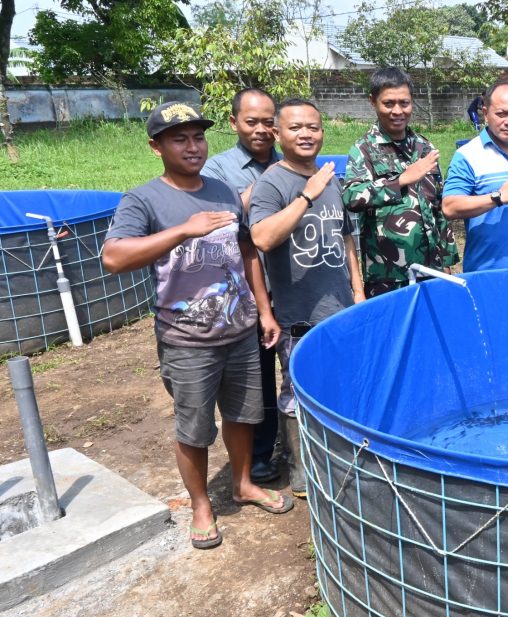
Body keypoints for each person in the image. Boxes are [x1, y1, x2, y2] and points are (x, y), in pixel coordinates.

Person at [102, 101, 292, 550]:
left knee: (245, 415)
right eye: (179, 139)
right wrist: (182, 231)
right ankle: (201, 504)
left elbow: (247, 252)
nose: (193, 147)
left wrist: (263, 312)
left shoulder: (223, 191)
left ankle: (243, 483)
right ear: (156, 147)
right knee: (194, 426)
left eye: (198, 137)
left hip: (241, 329)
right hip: (187, 339)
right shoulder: (143, 198)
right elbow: (113, 257)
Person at [249, 98, 364, 498]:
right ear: (278, 134)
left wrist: (359, 290)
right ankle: (300, 472)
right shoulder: (272, 183)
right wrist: (306, 197)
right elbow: (261, 237)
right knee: (296, 392)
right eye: (296, 127)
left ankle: (338, 460)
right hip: (298, 315)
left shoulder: (328, 177)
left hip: (340, 310)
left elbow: (347, 238)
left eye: (313, 127)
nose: (306, 134)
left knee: (341, 384)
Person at [201, 87, 283, 485]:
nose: (263, 130)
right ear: (234, 123)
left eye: (270, 122)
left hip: (291, 286)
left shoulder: (291, 164)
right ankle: (261, 454)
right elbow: (218, 225)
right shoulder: (216, 172)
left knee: (299, 367)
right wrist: (268, 186)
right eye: (252, 122)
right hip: (247, 291)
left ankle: (300, 441)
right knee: (259, 378)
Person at [342, 67, 460, 297]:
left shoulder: (425, 147)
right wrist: (400, 181)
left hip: (431, 268)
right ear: (373, 102)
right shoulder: (364, 148)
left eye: (404, 103)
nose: (397, 111)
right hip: (387, 273)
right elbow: (352, 196)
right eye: (389, 103)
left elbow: (438, 208)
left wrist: (447, 260)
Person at [442, 81, 508, 272]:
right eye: (501, 113)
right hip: (485, 272)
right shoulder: (467, 155)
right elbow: (449, 206)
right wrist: (497, 198)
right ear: (485, 113)